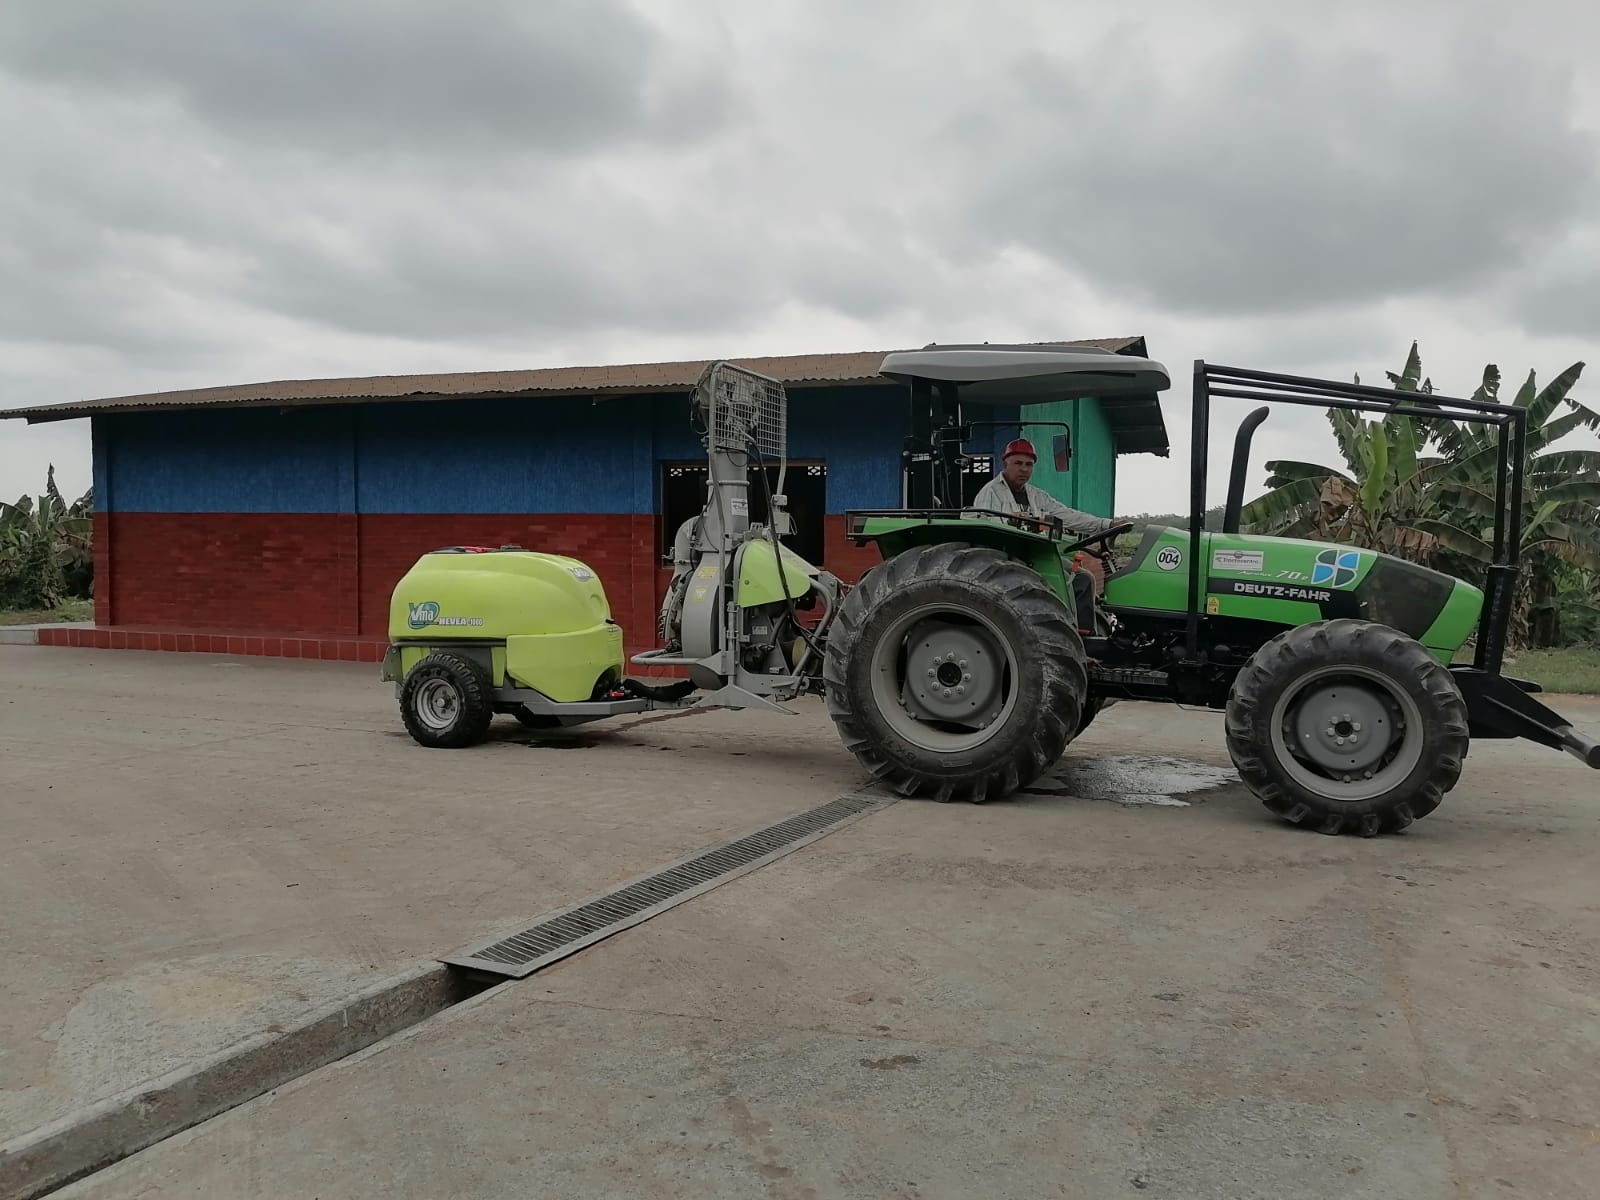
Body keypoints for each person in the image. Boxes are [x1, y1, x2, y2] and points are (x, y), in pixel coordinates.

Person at [966, 438, 1123, 633]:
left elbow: (1067, 515)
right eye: (1018, 463)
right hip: (1009, 558)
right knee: (1074, 581)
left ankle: (1086, 636)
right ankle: (1068, 632)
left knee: (1084, 578)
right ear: (1005, 463)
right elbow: (986, 527)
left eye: (1028, 464)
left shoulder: (1036, 495)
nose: (1023, 469)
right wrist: (1012, 521)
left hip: (1034, 553)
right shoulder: (990, 492)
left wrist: (1106, 524)